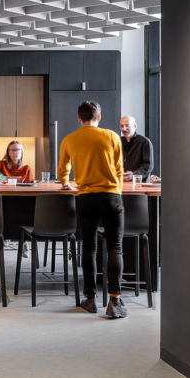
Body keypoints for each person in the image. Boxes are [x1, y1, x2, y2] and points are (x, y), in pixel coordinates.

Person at [58, 101, 127, 319]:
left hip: (86, 197)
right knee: (115, 248)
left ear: (79, 118)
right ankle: (114, 302)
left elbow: (63, 170)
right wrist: (116, 190)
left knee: (88, 248)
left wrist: (65, 183)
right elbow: (119, 168)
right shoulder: (112, 136)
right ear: (99, 117)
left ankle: (90, 299)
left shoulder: (69, 139)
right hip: (111, 196)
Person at [119, 115, 153, 182]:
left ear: (135, 126)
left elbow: (148, 166)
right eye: (122, 126)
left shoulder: (144, 142)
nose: (124, 129)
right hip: (121, 183)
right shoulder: (118, 141)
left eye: (127, 125)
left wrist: (134, 175)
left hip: (140, 184)